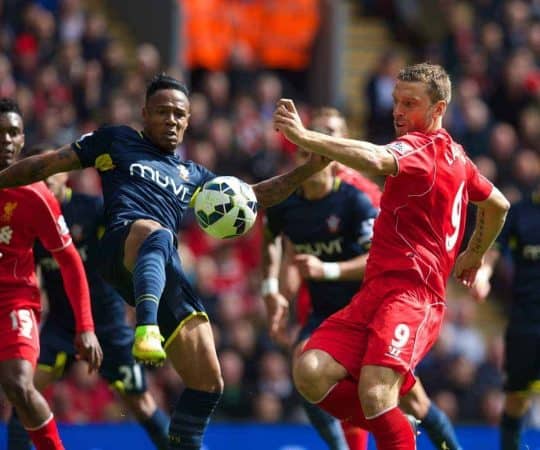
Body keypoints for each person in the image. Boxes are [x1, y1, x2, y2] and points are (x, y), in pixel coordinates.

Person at [0, 74, 329, 450]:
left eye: (179, 114)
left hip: (162, 267)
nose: (171, 120)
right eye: (162, 112)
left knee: (208, 382)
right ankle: (147, 327)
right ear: (144, 113)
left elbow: (254, 196)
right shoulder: (116, 140)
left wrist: (308, 169)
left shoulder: (194, 176)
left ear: (189, 121)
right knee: (155, 233)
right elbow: (47, 164)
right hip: (122, 246)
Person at [272, 63, 510, 450]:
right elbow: (497, 205)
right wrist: (474, 255)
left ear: (438, 109)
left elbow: (378, 159)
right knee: (310, 372)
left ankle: (397, 432)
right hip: (373, 294)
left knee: (376, 393)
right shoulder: (458, 156)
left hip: (411, 298)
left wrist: (305, 137)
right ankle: (398, 431)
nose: (398, 111)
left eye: (410, 103)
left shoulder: (422, 148)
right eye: (396, 101)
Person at [265, 107, 464, 450]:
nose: (322, 142)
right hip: (324, 309)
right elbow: (277, 241)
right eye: (317, 133)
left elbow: (383, 258)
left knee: (412, 402)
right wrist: (275, 289)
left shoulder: (362, 195)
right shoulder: (289, 195)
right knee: (308, 371)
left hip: (376, 308)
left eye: (333, 133)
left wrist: (326, 270)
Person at [7, 145, 169, 450]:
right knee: (23, 393)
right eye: (37, 176)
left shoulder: (91, 209)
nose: (44, 183)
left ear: (64, 174)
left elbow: (123, 241)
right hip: (61, 324)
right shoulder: (27, 214)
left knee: (141, 403)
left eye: (49, 174)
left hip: (107, 324)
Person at [0, 98, 102, 450]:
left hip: (13, 302)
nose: (6, 140)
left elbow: (71, 261)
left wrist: (85, 327)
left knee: (17, 384)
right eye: (0, 133)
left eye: (13, 132)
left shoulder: (35, 194)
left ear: (23, 139)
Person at [472, 187, 540, 450]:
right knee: (516, 399)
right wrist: (483, 275)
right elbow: (494, 252)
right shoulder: (520, 212)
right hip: (526, 321)